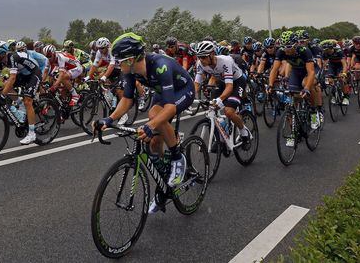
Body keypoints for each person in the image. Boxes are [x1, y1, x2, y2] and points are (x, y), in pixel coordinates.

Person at [93, 33, 195, 213]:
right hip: (162, 92)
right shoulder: (130, 71)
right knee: (154, 143)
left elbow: (170, 108)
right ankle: (164, 186)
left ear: (131, 59)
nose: (117, 64)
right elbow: (127, 100)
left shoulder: (160, 66)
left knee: (155, 114)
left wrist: (151, 125)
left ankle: (178, 158)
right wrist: (109, 119)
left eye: (120, 60)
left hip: (183, 90)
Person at [194, 40, 252, 143]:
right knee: (212, 108)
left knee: (228, 111)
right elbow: (197, 83)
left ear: (212, 54)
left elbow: (229, 87)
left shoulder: (225, 61)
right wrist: (190, 97)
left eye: (203, 57)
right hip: (222, 82)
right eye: (199, 57)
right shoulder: (200, 63)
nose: (201, 60)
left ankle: (244, 131)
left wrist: (220, 99)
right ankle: (222, 135)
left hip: (237, 82)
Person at [0, 41, 41, 145]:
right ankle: (20, 104)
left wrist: (3, 95)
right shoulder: (0, 61)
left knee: (28, 101)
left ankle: (32, 133)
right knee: (5, 85)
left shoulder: (12, 58)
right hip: (24, 75)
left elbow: (13, 77)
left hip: (34, 73)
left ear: (1, 54)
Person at [268, 31, 323, 132]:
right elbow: (274, 70)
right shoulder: (281, 51)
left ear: (296, 44)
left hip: (310, 71)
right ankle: (295, 131)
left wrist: (306, 88)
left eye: (289, 47)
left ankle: (314, 113)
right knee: (292, 98)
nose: (286, 50)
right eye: (284, 47)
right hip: (297, 72)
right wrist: (270, 85)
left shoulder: (304, 51)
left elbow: (311, 72)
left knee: (306, 85)